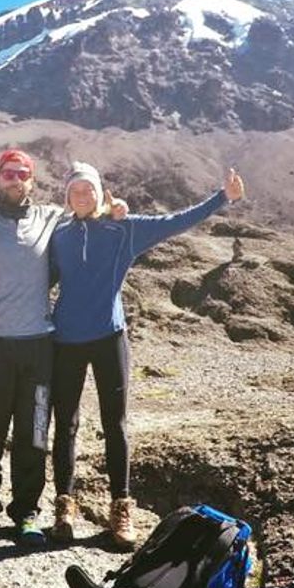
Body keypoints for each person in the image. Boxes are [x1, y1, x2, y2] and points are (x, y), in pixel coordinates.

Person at [48, 163, 245, 549]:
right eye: (76, 191)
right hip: (66, 340)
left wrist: (223, 198)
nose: (83, 196)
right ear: (67, 197)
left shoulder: (125, 229)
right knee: (65, 423)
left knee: (115, 423)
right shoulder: (59, 235)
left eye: (89, 189)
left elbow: (175, 221)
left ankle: (120, 506)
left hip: (109, 337)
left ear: (100, 192)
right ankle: (63, 506)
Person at [0, 149, 126, 546]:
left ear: (32, 182)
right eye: (8, 173)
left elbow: (87, 215)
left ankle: (26, 513)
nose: (15, 179)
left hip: (38, 345)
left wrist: (115, 208)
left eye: (22, 174)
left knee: (34, 430)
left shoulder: (51, 218)